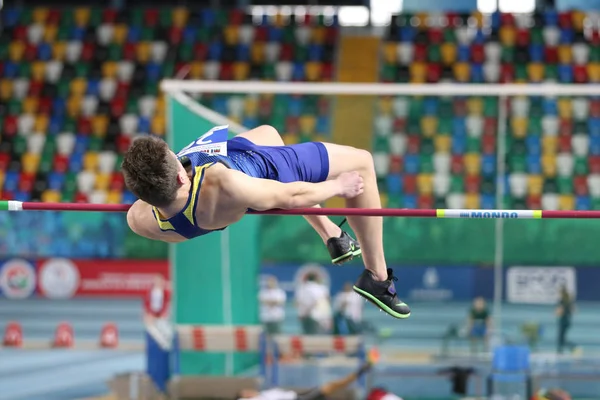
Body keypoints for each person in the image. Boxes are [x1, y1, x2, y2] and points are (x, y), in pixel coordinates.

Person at [122, 125, 410, 319]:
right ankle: (378, 279)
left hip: (221, 182)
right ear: (182, 177)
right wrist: (339, 186)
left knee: (269, 132)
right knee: (362, 161)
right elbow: (291, 195)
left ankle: (332, 234)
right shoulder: (222, 183)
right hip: (268, 171)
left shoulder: (138, 219)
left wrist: (177, 164)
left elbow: (155, 188)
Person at [236, 361, 372, 400]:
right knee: (330, 386)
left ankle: (357, 374)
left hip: (298, 396)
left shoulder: (263, 394)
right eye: (246, 392)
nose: (250, 391)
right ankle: (358, 374)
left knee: (330, 387)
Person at [556, 285, 576, 354]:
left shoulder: (561, 301)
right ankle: (563, 349)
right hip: (568, 320)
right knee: (562, 337)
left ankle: (572, 347)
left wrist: (558, 312)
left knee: (561, 337)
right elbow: (574, 310)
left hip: (563, 320)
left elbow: (559, 311)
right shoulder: (569, 301)